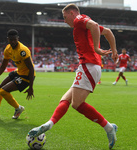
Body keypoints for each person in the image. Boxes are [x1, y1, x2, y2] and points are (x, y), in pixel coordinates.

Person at [28, 3, 118, 149]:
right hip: (87, 66)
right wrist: (114, 51)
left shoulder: (79, 19)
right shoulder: (83, 25)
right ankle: (48, 124)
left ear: (72, 13)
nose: (64, 21)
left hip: (88, 65)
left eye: (64, 17)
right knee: (66, 99)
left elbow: (95, 25)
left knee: (77, 104)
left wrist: (96, 48)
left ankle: (109, 127)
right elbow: (108, 32)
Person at [0, 29, 35, 119]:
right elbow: (2, 67)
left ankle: (18, 108)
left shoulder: (23, 50)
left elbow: (31, 68)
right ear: (8, 39)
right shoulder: (8, 49)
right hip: (19, 72)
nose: (13, 41)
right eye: (11, 39)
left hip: (27, 76)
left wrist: (30, 87)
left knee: (3, 91)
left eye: (15, 39)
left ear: (18, 38)